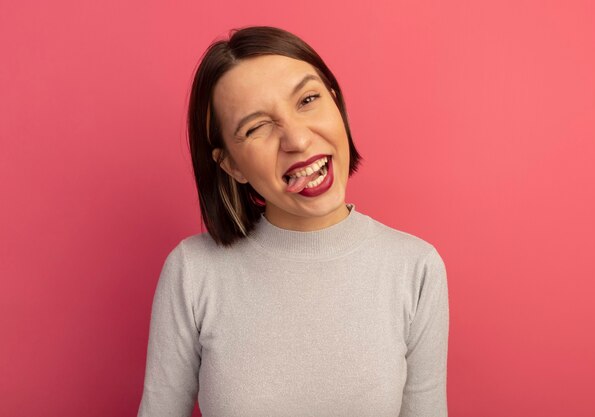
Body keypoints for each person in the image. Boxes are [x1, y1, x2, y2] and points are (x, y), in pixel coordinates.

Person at [137, 26, 449, 417]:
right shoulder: (193, 272)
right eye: (256, 127)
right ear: (231, 164)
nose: (297, 140)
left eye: (308, 99)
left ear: (336, 103)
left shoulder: (416, 269)